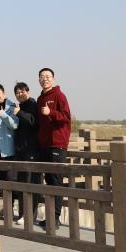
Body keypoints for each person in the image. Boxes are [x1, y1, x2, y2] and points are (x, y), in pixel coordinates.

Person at [36, 68, 72, 230]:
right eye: (42, 77)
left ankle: (55, 218)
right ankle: (50, 216)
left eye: (48, 76)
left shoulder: (59, 95)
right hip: (44, 145)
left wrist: (51, 112)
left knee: (56, 181)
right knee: (49, 182)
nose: (45, 79)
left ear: (53, 79)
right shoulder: (40, 99)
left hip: (57, 145)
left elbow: (66, 117)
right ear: (39, 80)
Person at [0, 83, 19, 221]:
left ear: (4, 93)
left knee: (10, 182)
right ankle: (6, 209)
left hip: (10, 151)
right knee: (1, 181)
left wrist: (3, 115)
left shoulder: (12, 107)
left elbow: (14, 125)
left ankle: (11, 209)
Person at [13, 82, 40, 225]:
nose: (20, 94)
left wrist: (19, 113)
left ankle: (30, 215)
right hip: (20, 151)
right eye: (17, 93)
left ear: (28, 91)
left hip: (31, 150)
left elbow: (34, 122)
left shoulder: (33, 104)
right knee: (21, 184)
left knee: (30, 184)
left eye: (22, 91)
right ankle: (22, 214)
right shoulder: (19, 106)